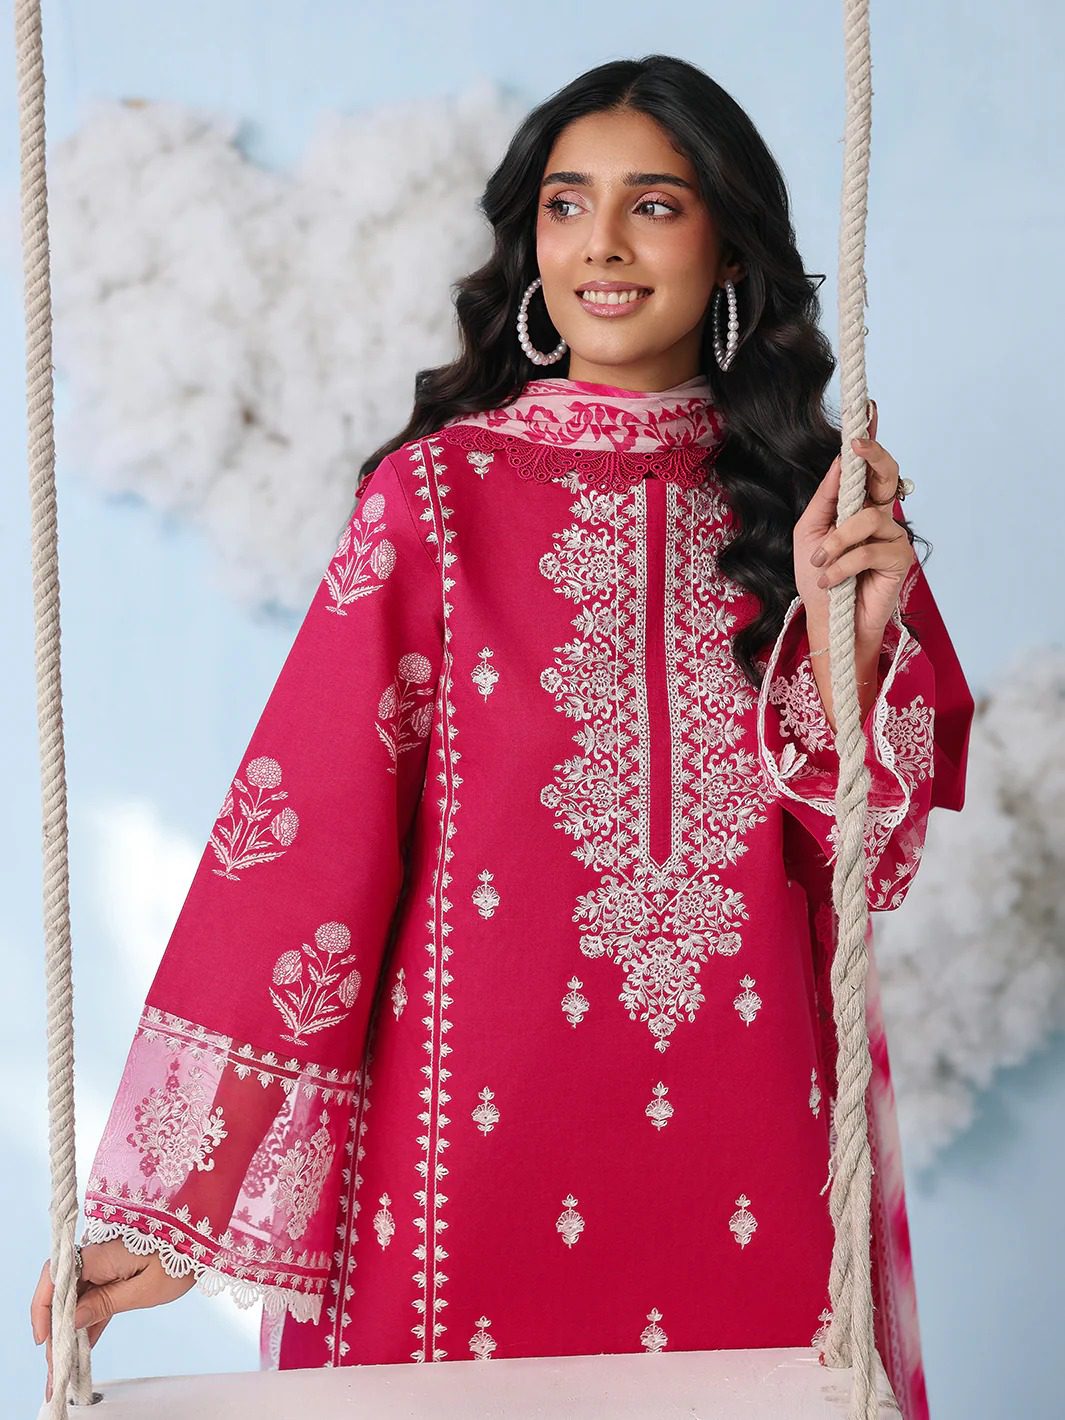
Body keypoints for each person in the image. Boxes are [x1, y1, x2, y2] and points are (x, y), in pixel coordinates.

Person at [31, 53, 973, 1419]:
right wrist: (179, 1208)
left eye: (654, 205)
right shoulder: (434, 502)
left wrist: (856, 645)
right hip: (458, 1156)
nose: (601, 243)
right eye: (565, 204)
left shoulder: (813, 521)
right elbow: (298, 850)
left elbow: (861, 872)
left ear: (731, 248)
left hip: (753, 1141)